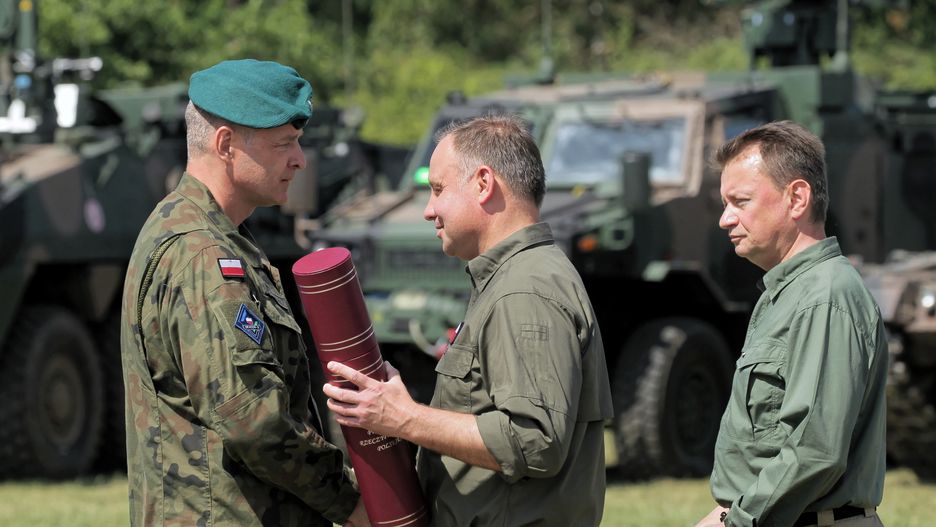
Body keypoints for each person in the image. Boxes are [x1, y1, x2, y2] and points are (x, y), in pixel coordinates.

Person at [323, 115, 614, 526]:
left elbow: (535, 441)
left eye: (438, 189)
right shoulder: (516, 278)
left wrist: (404, 418)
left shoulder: (523, 289)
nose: (429, 210)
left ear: (483, 183)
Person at [120, 59, 368, 527]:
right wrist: (348, 500)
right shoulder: (202, 255)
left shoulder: (205, 234)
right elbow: (253, 420)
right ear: (226, 144)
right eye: (284, 144)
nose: (300, 159)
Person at [695, 121, 888, 527]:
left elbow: (815, 450)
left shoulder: (824, 296)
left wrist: (737, 522)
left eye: (740, 201)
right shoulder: (786, 293)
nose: (724, 219)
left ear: (796, 197)